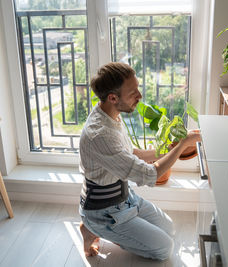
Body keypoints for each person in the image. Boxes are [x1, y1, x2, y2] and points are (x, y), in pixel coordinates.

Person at [78, 62, 201, 260]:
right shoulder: (100, 135)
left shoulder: (108, 113)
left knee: (169, 229)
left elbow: (132, 153)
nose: (140, 96)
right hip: (103, 212)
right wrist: (183, 145)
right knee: (164, 249)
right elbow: (150, 174)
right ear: (113, 97)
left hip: (125, 198)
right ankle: (93, 228)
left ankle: (103, 227)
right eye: (133, 92)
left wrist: (169, 148)